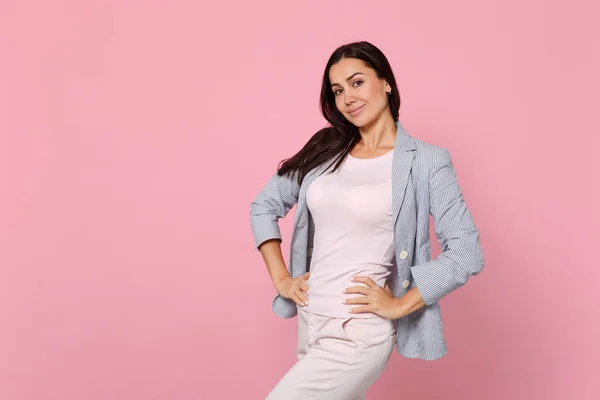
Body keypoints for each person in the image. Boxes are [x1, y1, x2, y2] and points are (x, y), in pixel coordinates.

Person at [249, 41, 485, 399]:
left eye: (357, 82)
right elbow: (264, 205)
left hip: (356, 331)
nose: (347, 98)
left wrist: (401, 304)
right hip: (312, 322)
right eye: (338, 90)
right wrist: (281, 278)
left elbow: (467, 251)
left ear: (386, 82)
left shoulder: (426, 161)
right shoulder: (325, 149)